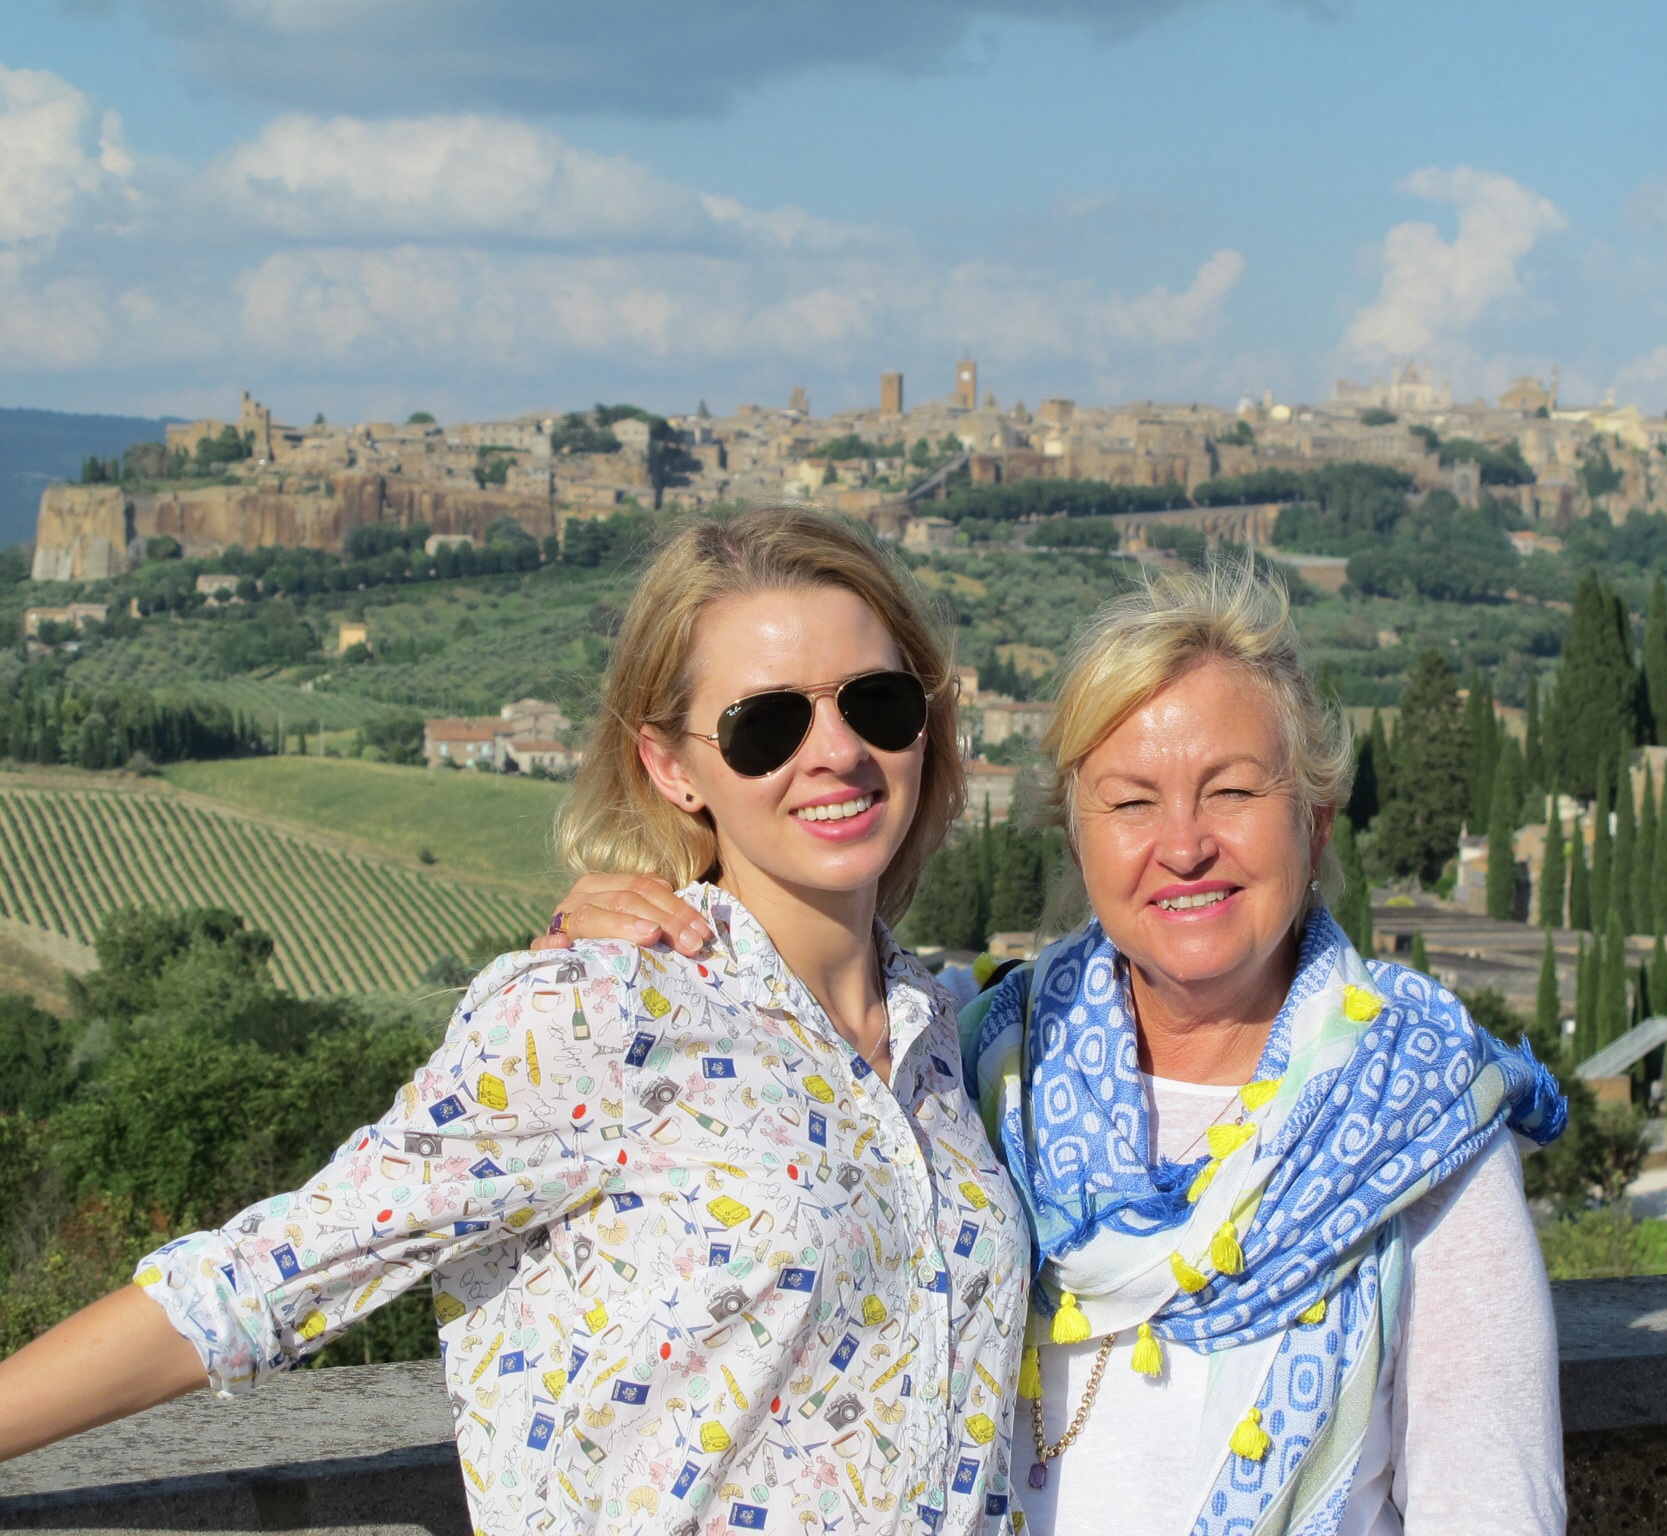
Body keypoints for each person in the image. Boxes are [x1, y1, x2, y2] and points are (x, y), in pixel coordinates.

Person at [0, 507, 1030, 1536]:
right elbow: (266, 1278)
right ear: (671, 767)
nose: (838, 751)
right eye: (767, 726)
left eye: (878, 702)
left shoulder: (950, 1038)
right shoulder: (600, 1011)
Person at [549, 563, 1569, 1534]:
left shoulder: (1418, 1123)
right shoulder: (970, 1061)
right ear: (1076, 836)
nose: (1183, 845)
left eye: (1232, 792)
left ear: (1316, 821)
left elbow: (1492, 1512)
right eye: (1131, 802)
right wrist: (606, 940)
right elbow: (773, 1031)